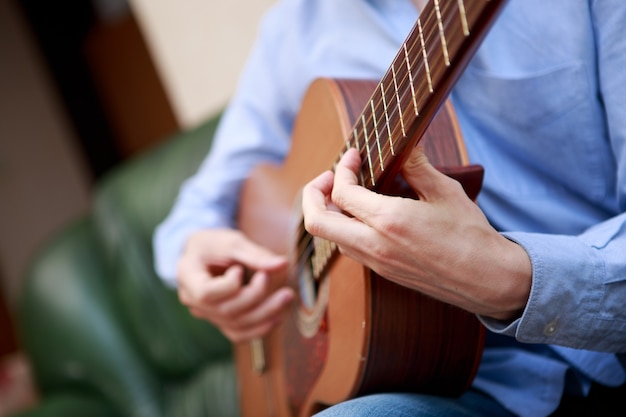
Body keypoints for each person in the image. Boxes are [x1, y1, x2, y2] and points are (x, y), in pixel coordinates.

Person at [153, 0, 626, 415]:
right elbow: (197, 212)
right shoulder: (295, 28)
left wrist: (509, 278)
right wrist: (191, 257)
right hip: (444, 384)